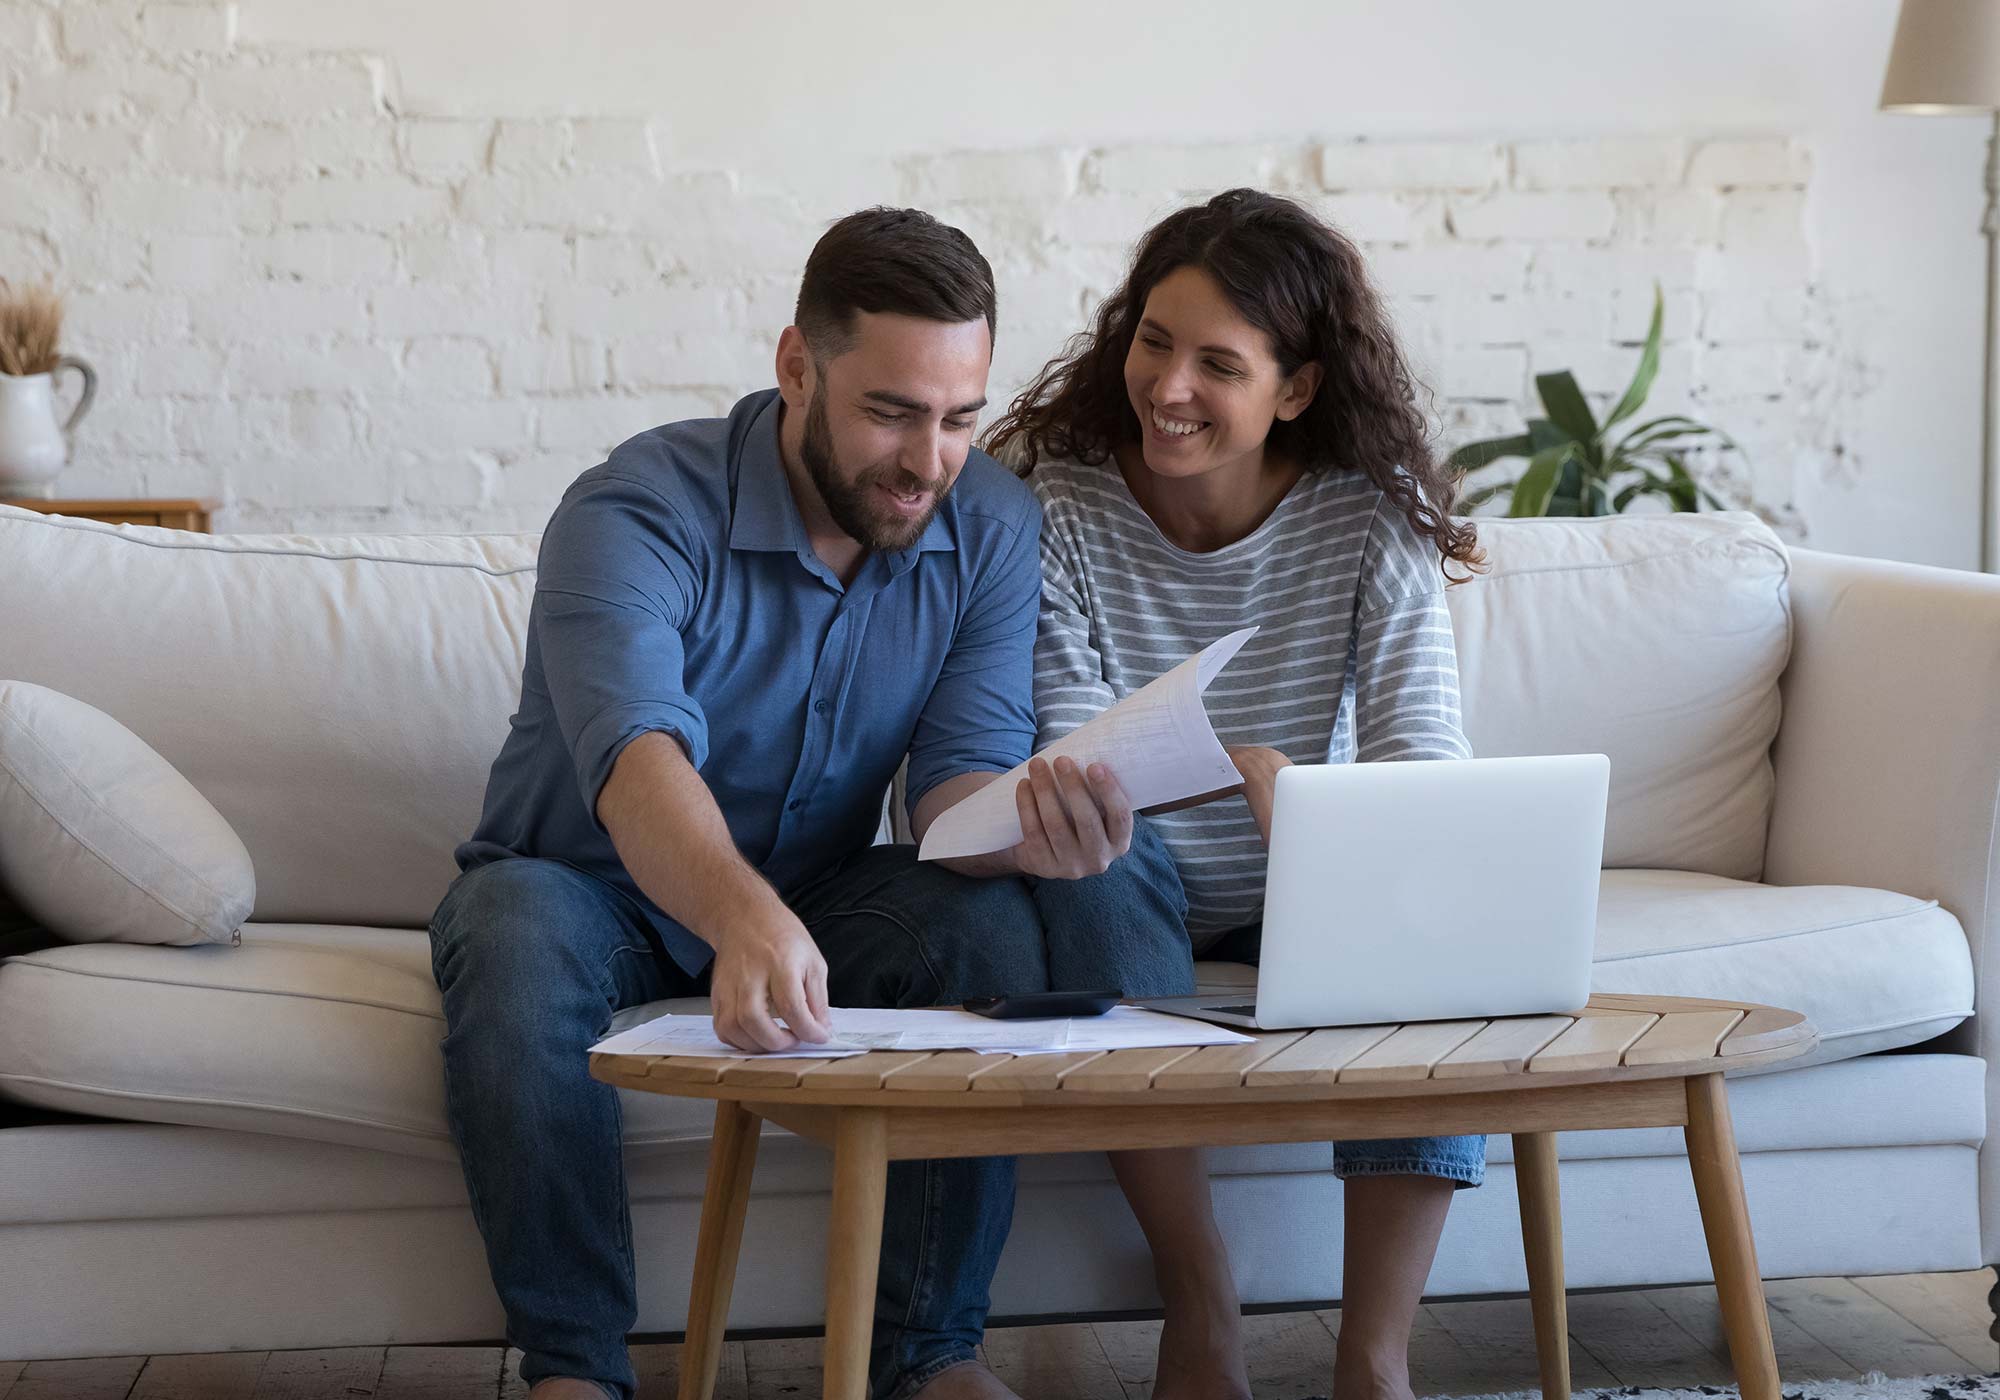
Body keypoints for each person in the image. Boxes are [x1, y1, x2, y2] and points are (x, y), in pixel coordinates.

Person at [429, 207, 1123, 1400]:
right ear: (796, 364)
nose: (928, 460)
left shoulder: (992, 523)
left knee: (983, 925)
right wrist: (741, 918)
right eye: (891, 412)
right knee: (510, 929)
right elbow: (636, 759)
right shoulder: (636, 506)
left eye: (959, 417)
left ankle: (929, 1356)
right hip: (582, 893)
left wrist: (1029, 831)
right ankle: (574, 1371)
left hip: (811, 897)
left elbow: (955, 779)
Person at [983, 188, 1489, 1400]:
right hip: (1126, 867)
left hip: (1298, 875)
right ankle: (1199, 1293)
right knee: (1085, 880)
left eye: (1218, 363)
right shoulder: (1049, 493)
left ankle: (1373, 1352)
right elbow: (1063, 738)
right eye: (1152, 341)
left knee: (1432, 938)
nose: (1166, 387)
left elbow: (1425, 760)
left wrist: (1315, 812)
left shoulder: (1370, 520)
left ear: (1296, 388)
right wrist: (1175, 778)